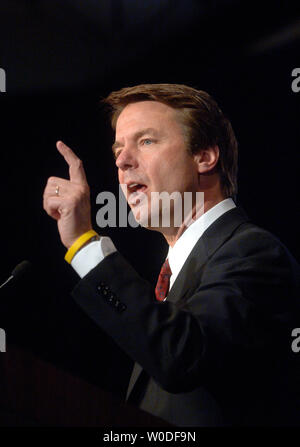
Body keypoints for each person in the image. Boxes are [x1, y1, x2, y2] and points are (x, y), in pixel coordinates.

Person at [43, 84, 300, 426]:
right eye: (118, 148)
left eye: (146, 141)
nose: (121, 160)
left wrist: (84, 245)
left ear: (205, 156)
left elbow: (181, 355)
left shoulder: (254, 253)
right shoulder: (172, 279)